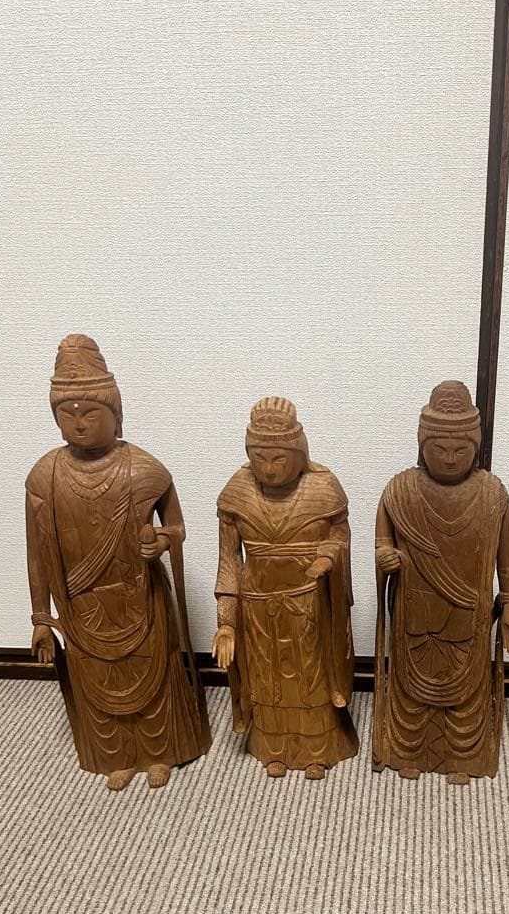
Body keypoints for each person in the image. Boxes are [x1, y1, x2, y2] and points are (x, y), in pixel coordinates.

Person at [26, 334, 210, 791]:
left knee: (153, 674)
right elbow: (37, 554)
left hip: (139, 595)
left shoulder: (144, 469)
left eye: (91, 413)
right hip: (81, 605)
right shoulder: (44, 477)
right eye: (67, 415)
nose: (79, 424)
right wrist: (41, 619)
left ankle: (160, 751)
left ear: (116, 414)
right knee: (99, 679)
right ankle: (117, 756)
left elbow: (177, 526)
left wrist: (162, 541)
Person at [373, 381, 509, 784]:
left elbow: (507, 554)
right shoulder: (400, 491)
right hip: (415, 610)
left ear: (476, 446)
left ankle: (463, 756)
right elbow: (383, 542)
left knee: (466, 691)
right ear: (422, 445)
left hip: (468, 612)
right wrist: (385, 558)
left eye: (461, 449)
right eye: (439, 449)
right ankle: (408, 750)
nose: (450, 458)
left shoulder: (492, 493)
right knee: (411, 688)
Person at [213, 397, 357, 780]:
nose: (270, 468)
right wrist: (226, 623)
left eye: (279, 459)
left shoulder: (323, 487)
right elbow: (229, 563)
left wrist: (328, 556)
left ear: (299, 453)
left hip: (309, 604)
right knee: (268, 681)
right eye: (260, 458)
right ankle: (273, 747)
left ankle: (317, 750)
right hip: (258, 610)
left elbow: (340, 535)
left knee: (311, 679)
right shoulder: (237, 493)